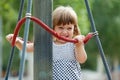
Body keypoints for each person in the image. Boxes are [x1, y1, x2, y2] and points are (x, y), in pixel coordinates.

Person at [6, 6, 87, 80]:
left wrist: (79, 46)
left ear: (74, 29)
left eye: (69, 28)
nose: (65, 32)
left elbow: (82, 59)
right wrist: (18, 42)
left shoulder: (74, 44)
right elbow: (28, 48)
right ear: (53, 28)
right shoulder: (48, 44)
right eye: (61, 28)